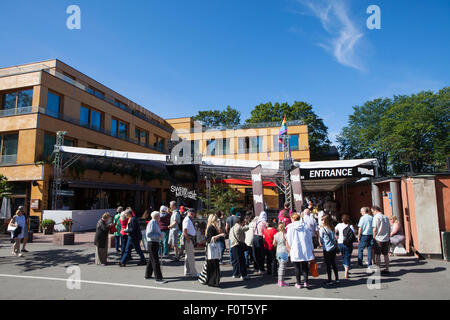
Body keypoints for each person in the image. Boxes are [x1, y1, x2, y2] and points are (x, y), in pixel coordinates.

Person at [286, 213, 315, 289]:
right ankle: (306, 282)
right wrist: (311, 249)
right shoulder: (304, 226)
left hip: (295, 248)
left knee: (297, 266)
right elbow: (309, 238)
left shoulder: (290, 227)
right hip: (305, 247)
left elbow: (289, 239)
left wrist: (291, 247)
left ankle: (298, 283)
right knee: (305, 266)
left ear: (293, 218)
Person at [199, 214, 226, 287]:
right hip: (211, 248)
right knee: (213, 264)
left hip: (212, 248)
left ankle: (212, 281)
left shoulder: (212, 227)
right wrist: (220, 235)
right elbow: (210, 239)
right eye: (216, 219)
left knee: (212, 264)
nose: (217, 220)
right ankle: (213, 281)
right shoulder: (211, 227)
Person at [145, 211, 167, 283]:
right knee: (155, 260)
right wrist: (159, 236)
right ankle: (158, 277)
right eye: (159, 216)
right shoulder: (152, 222)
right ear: (156, 216)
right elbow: (149, 234)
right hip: (152, 242)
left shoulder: (155, 222)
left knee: (151, 259)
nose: (160, 217)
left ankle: (147, 275)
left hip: (154, 242)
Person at [319, 215, 339, 286]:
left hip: (326, 248)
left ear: (325, 221)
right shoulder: (332, 228)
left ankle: (329, 280)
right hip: (333, 247)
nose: (321, 221)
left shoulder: (323, 229)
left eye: (322, 220)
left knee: (328, 265)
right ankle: (337, 279)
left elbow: (321, 239)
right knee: (333, 263)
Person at [229, 216, 250, 280]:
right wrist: (247, 223)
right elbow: (246, 228)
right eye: (243, 222)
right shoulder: (238, 227)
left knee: (236, 261)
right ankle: (243, 275)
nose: (243, 223)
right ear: (240, 222)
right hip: (238, 245)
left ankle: (235, 273)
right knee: (241, 260)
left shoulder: (232, 228)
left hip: (233, 246)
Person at [335, 214, 356, 279]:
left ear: (342, 220)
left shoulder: (339, 225)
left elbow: (334, 231)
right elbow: (353, 234)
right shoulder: (351, 226)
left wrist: (336, 236)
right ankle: (346, 271)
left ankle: (346, 269)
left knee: (343, 256)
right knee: (347, 256)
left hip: (340, 242)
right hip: (348, 243)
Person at [372, 206, 391, 274]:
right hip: (386, 238)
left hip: (378, 238)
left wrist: (373, 237)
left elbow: (375, 229)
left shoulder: (376, 217)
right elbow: (389, 228)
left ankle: (377, 269)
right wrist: (388, 236)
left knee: (377, 254)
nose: (373, 213)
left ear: (375, 210)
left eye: (373, 211)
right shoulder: (386, 217)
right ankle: (387, 268)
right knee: (386, 255)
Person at [357, 207, 374, 272]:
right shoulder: (371, 217)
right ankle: (369, 263)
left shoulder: (362, 218)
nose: (360, 212)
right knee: (369, 249)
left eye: (361, 211)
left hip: (364, 235)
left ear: (364, 211)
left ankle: (360, 263)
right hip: (371, 235)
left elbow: (360, 228)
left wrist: (359, 236)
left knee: (360, 249)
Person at [182, 208, 198, 277]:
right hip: (188, 238)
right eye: (194, 214)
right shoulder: (187, 220)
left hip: (189, 238)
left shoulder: (188, 219)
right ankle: (193, 272)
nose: (194, 216)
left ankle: (187, 272)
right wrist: (188, 239)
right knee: (191, 257)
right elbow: (184, 230)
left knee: (188, 256)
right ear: (192, 213)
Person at [252, 211, 267, 275]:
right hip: (260, 238)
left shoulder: (256, 222)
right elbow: (265, 231)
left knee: (255, 253)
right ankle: (261, 269)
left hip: (254, 237)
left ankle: (256, 267)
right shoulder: (263, 222)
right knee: (261, 254)